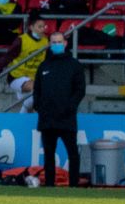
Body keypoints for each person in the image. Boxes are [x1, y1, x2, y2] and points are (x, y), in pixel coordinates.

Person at [32, 32, 85, 187]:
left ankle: (74, 185)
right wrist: (39, 107)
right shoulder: (44, 66)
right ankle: (49, 185)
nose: (56, 44)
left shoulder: (74, 65)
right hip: (47, 118)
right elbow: (37, 90)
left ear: (65, 43)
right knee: (49, 154)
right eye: (54, 42)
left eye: (59, 41)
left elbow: (80, 90)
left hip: (66, 117)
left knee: (72, 153)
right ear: (49, 44)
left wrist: (70, 107)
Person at [0, 15, 49, 112]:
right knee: (39, 88)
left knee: (30, 103)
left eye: (43, 27)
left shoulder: (46, 41)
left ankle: (22, 118)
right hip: (17, 76)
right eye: (39, 27)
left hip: (34, 77)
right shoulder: (22, 40)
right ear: (31, 27)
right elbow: (8, 56)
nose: (42, 29)